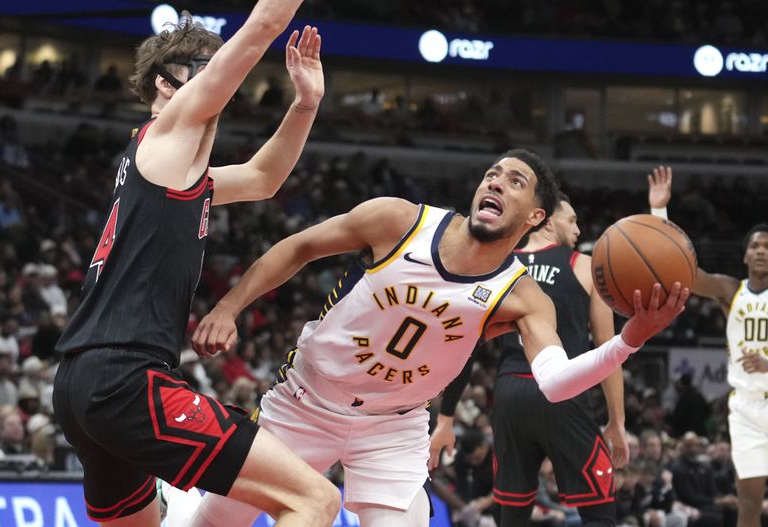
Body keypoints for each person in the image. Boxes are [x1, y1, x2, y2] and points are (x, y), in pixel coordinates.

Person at [183, 149, 689, 527]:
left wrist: (630, 339)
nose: (497, 182)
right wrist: (228, 307)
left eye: (516, 181)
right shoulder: (399, 220)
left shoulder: (523, 296)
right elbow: (299, 247)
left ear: (535, 216)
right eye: (493, 174)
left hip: (394, 427)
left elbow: (555, 384)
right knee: (216, 522)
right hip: (306, 402)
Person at [52, 4, 341, 526]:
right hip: (125, 378)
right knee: (315, 501)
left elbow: (262, 179)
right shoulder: (167, 135)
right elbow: (264, 26)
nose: (223, 74)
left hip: (83, 383)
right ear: (167, 83)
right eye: (207, 66)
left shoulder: (181, 172)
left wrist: (305, 103)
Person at [433, 192, 628, 526]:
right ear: (549, 221)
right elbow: (606, 350)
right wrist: (617, 422)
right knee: (599, 510)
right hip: (564, 390)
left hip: (510, 393)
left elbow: (465, 346)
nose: (578, 229)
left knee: (511, 513)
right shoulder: (584, 265)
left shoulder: (500, 265)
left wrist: (446, 416)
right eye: (572, 220)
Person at [649, 165, 767, 527]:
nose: (762, 251)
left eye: (767, 247)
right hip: (747, 407)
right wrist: (658, 213)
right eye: (755, 246)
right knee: (748, 502)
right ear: (745, 255)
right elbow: (681, 271)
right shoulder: (732, 291)